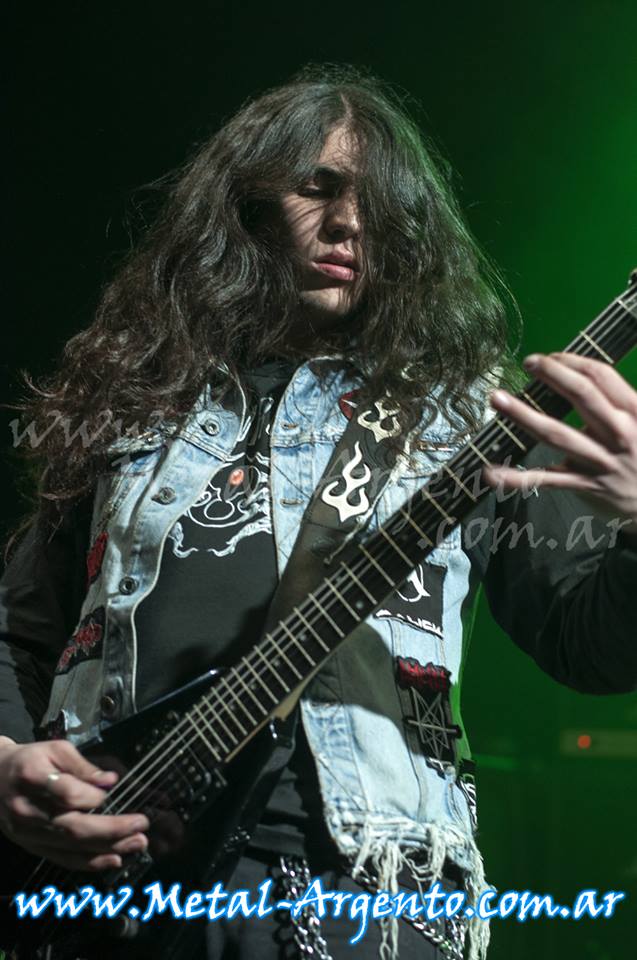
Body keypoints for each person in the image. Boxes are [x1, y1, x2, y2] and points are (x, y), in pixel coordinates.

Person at [0, 65, 635, 960]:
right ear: (246, 207)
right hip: (110, 888)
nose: (348, 224)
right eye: (317, 187)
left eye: (378, 206)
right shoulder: (131, 410)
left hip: (365, 887)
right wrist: (6, 764)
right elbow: (19, 634)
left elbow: (591, 645)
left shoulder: (466, 422)